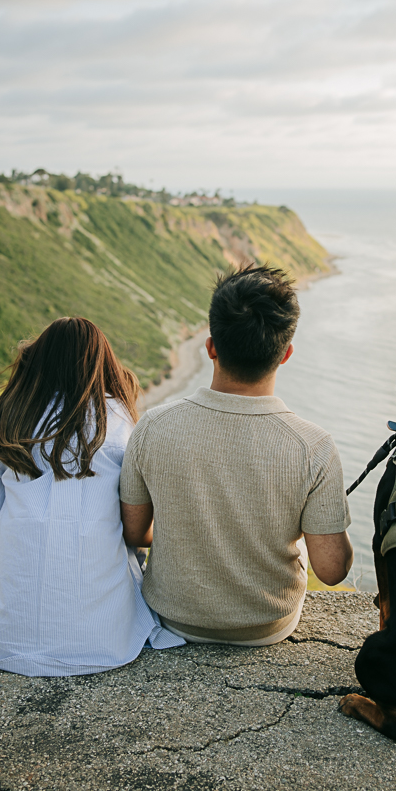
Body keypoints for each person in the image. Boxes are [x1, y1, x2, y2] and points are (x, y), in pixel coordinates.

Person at [120, 264, 353, 645]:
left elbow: (135, 532)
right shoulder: (314, 445)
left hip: (172, 617)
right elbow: (331, 570)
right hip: (267, 626)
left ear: (210, 346)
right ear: (286, 354)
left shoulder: (153, 426)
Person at [0, 316, 184, 676]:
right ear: (103, 364)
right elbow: (136, 525)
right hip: (107, 640)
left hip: (3, 637)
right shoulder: (121, 422)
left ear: (36, 361)